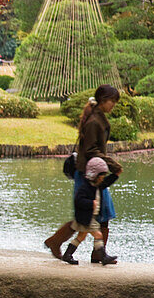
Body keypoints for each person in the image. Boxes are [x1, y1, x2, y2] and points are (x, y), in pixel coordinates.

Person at [43, 84, 124, 261]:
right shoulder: (95, 121)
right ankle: (56, 242)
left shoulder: (97, 117)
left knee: (104, 213)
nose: (113, 105)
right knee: (84, 216)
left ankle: (98, 253)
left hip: (95, 173)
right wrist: (112, 165)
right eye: (112, 101)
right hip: (88, 175)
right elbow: (91, 150)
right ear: (103, 101)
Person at [63, 157, 118, 265]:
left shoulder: (96, 185)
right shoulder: (85, 188)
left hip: (89, 217)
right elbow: (78, 200)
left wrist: (116, 175)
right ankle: (103, 257)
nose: (103, 179)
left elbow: (106, 182)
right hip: (85, 218)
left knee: (80, 237)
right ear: (95, 176)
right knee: (98, 235)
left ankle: (67, 255)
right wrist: (91, 203)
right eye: (101, 176)